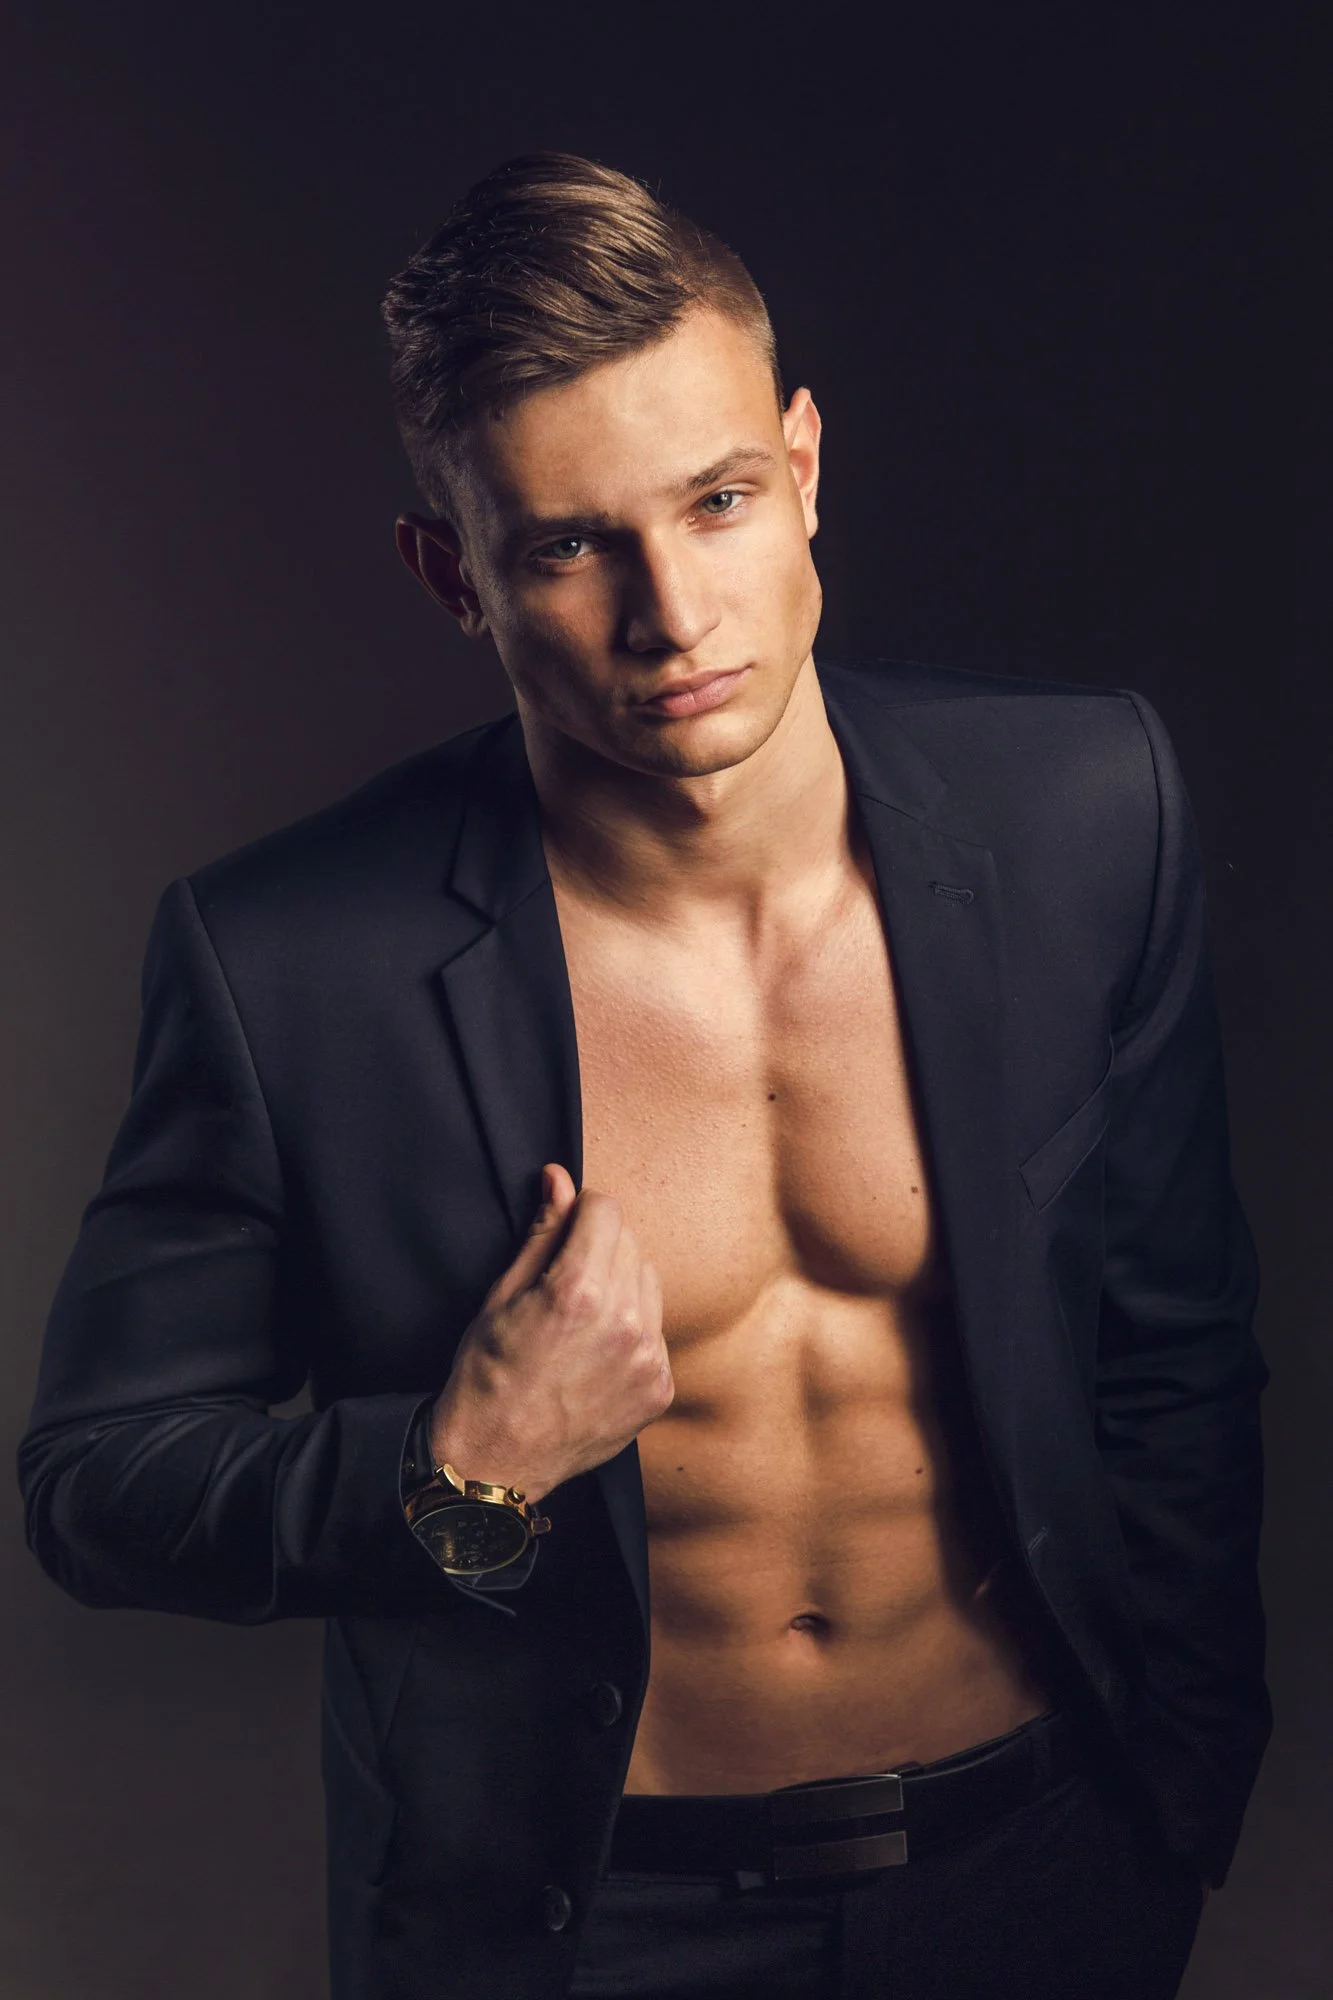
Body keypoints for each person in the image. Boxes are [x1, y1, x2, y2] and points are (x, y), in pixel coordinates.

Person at [18, 152, 1269, 2000]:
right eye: (567, 543)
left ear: (808, 469)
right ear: (454, 574)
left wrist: (1181, 1790)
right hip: (590, 1921)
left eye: (719, 499)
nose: (672, 611)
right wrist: (459, 1471)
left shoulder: (1089, 816)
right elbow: (91, 1483)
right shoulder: (293, 961)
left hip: (1045, 1872)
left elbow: (1174, 1352)